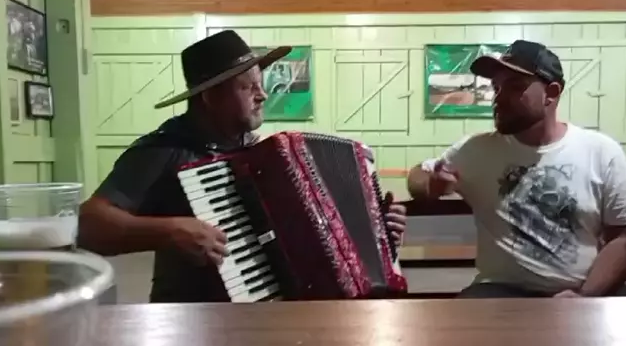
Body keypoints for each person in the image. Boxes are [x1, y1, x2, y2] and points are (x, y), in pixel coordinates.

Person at [78, 31, 408, 303]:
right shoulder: (165, 151)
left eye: (260, 83)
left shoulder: (262, 155)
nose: (262, 95)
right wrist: (169, 231)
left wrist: (377, 230)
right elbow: (88, 224)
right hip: (188, 318)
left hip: (265, 316)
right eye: (247, 86)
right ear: (210, 97)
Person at [406, 40, 626, 299]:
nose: (498, 98)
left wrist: (585, 296)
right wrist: (432, 185)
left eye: (514, 87)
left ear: (551, 93)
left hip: (582, 290)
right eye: (496, 87)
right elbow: (417, 176)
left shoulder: (601, 151)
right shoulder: (476, 150)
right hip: (499, 290)